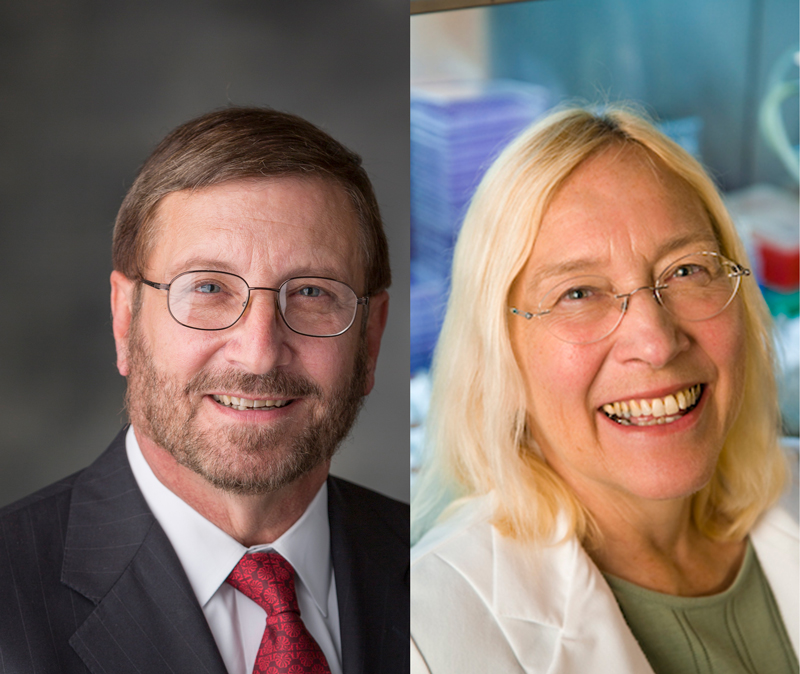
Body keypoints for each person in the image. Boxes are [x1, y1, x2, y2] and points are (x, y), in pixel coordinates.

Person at [0, 107, 408, 674]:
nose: (260, 351)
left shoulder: (422, 559)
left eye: (313, 292)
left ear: (371, 337)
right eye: (208, 287)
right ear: (125, 319)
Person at [411, 106, 798, 673]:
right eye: (578, 293)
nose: (656, 342)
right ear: (499, 356)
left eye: (687, 271)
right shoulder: (425, 638)